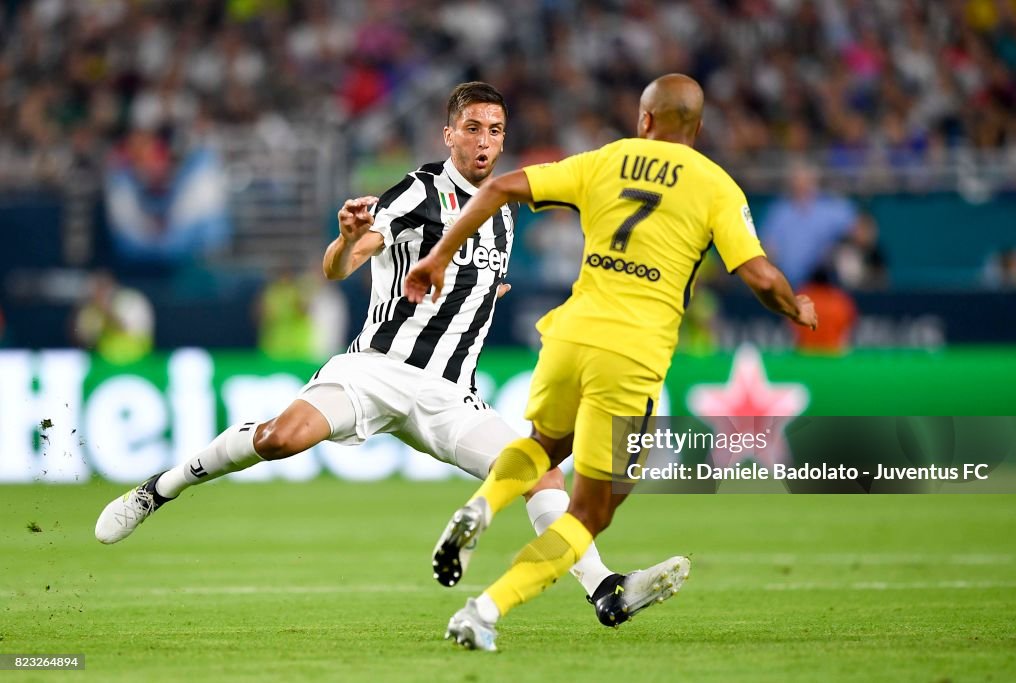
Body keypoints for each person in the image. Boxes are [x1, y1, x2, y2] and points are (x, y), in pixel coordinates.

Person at [94, 81, 671, 628]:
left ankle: (605, 590)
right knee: (280, 440)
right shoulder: (421, 189)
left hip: (451, 396)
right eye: (472, 129)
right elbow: (339, 265)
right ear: (448, 135)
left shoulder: (506, 212)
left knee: (540, 473)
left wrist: (483, 292)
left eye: (495, 130)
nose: (485, 142)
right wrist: (348, 238)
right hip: (375, 370)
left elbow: (469, 281)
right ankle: (160, 487)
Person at [405, 73, 818, 651]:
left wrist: (437, 257)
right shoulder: (716, 185)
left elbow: (498, 189)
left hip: (569, 335)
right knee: (589, 512)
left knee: (544, 445)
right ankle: (484, 610)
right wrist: (794, 305)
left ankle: (481, 505)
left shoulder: (607, 159)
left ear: (645, 120)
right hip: (631, 355)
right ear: (695, 130)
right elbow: (758, 275)